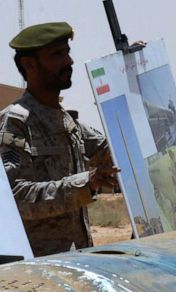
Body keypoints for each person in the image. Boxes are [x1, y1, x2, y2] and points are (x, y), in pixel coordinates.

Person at [0, 22, 118, 257]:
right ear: (29, 64)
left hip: (78, 262)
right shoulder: (15, 122)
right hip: (38, 274)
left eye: (67, 52)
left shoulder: (68, 123)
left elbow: (116, 151)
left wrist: (132, 72)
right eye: (57, 54)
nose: (69, 61)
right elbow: (16, 199)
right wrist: (86, 183)